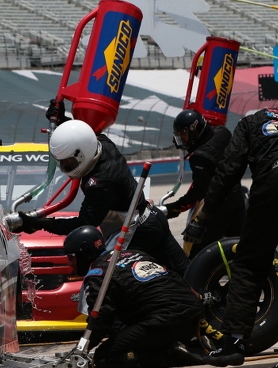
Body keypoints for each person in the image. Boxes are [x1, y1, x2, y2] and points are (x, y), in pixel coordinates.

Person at [185, 81, 278, 367]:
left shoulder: (254, 120)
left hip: (272, 185)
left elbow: (227, 171)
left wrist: (205, 214)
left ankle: (234, 342)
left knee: (249, 264)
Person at [13, 118, 190, 275]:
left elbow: (82, 224)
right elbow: (82, 132)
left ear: (81, 154)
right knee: (187, 274)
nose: (64, 167)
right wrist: (62, 120)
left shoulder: (101, 182)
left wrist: (39, 224)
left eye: (68, 162)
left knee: (107, 277)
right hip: (149, 220)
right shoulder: (103, 142)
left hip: (137, 231)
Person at [66, 226, 205, 368]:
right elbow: (174, 277)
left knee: (104, 356)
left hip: (165, 321)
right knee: (123, 332)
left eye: (71, 257)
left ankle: (175, 354)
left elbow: (101, 321)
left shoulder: (98, 274)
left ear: (85, 252)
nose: (70, 263)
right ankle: (190, 343)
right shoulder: (136, 253)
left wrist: (80, 350)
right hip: (194, 316)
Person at [165, 109, 245, 258]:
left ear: (193, 131)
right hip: (238, 198)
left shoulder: (201, 157)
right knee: (243, 249)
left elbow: (200, 191)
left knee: (196, 254)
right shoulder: (223, 132)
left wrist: (175, 207)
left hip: (220, 206)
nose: (182, 140)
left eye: (183, 135)